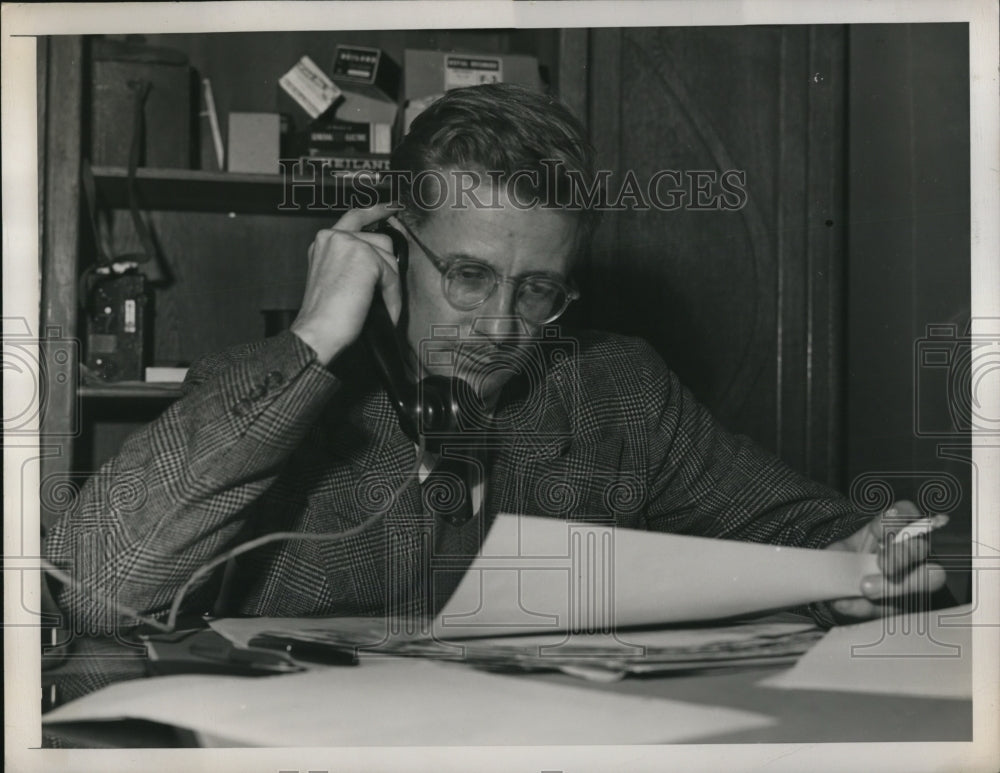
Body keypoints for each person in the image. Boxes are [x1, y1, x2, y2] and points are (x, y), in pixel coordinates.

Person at [44, 83, 944, 632]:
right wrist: (316, 341)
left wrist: (853, 564)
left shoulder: (620, 391)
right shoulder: (265, 391)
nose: (502, 327)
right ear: (392, 247)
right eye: (469, 275)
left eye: (538, 290)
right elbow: (92, 589)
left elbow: (799, 528)